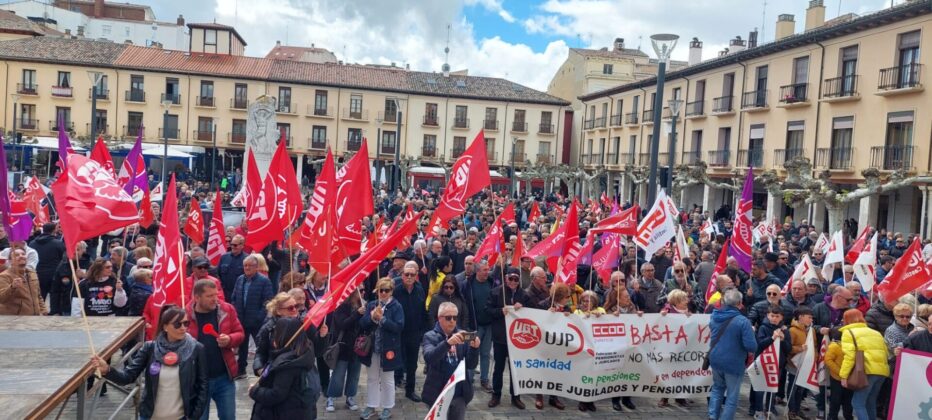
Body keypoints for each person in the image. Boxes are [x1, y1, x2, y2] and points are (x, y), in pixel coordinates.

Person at [92, 304, 209, 420]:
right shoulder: (150, 348)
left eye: (186, 323)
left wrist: (194, 416)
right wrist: (107, 369)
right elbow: (127, 377)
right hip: (150, 416)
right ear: (165, 327)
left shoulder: (196, 348)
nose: (183, 328)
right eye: (177, 324)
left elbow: (203, 386)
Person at [186, 279, 245, 420]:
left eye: (216, 294)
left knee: (229, 417)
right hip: (198, 380)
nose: (215, 299)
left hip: (224, 377)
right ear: (197, 297)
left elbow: (240, 333)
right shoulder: (185, 315)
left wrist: (230, 339)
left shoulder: (227, 309)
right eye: (210, 296)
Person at [248, 317, 317, 419]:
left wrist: (254, 391)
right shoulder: (303, 352)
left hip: (282, 413)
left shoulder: (286, 364)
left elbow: (276, 394)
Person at [420, 301, 480, 420]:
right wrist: (447, 343)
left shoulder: (462, 334)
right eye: (448, 318)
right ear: (439, 318)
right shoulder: (430, 336)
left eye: (454, 317)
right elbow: (429, 358)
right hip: (437, 392)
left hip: (458, 393)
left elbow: (471, 365)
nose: (452, 321)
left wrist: (474, 348)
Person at [708, 288, 757, 420]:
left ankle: (713, 416)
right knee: (732, 395)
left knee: (717, 388)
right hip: (734, 362)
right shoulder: (743, 321)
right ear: (739, 303)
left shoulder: (714, 315)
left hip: (716, 358)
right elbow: (751, 346)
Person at [359, 278, 405, 420]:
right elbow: (362, 324)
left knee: (388, 379)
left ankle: (387, 407)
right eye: (380, 290)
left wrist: (383, 320)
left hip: (389, 348)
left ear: (391, 291)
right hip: (373, 347)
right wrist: (372, 318)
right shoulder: (372, 304)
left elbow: (399, 327)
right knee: (372, 378)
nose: (383, 293)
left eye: (386, 290)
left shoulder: (396, 306)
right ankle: (371, 405)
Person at [486, 268, 529, 410]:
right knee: (498, 368)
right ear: (506, 278)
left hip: (517, 339)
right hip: (500, 337)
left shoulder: (524, 294)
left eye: (516, 279)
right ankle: (496, 395)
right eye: (511, 278)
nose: (513, 282)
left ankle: (516, 396)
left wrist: (523, 308)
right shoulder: (496, 292)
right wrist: (499, 311)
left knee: (515, 369)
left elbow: (533, 311)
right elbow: (487, 310)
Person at [839, 309, 889, 420]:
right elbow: (886, 352)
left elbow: (850, 356)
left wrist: (843, 375)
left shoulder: (848, 332)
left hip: (866, 370)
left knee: (857, 403)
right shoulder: (876, 333)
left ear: (846, 320)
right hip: (882, 371)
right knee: (870, 402)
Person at [233, 254, 275, 378]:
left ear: (256, 267)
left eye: (250, 266)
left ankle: (265, 369)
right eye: (245, 265)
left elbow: (268, 301)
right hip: (241, 319)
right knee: (242, 346)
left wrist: (259, 316)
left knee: (261, 346)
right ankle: (241, 370)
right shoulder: (240, 279)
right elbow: (234, 297)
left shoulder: (264, 281)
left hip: (257, 321)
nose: (247, 268)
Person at [391, 262, 427, 403]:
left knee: (412, 364)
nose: (409, 277)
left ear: (416, 275)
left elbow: (423, 310)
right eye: (407, 274)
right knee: (395, 362)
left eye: (412, 274)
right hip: (398, 332)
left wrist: (423, 330)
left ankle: (410, 391)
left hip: (414, 332)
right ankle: (391, 390)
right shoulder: (396, 290)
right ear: (402, 275)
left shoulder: (419, 289)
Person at [326, 286, 365, 413]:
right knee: (338, 374)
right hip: (344, 345)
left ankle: (350, 397)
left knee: (354, 374)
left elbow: (365, 325)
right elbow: (343, 324)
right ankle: (331, 397)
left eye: (363, 290)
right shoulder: (342, 306)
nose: (363, 292)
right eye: (361, 290)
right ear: (353, 292)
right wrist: (357, 314)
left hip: (358, 346)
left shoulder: (363, 305)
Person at [459, 260, 494, 390]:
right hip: (472, 326)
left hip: (488, 325)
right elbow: (462, 305)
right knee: (471, 353)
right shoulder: (467, 284)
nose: (487, 272)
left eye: (488, 269)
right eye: (485, 270)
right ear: (477, 271)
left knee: (485, 353)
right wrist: (465, 325)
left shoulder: (492, 283)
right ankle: (469, 379)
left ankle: (484, 379)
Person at [751, 304, 790, 420]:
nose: (774, 318)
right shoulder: (763, 328)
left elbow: (788, 349)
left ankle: (769, 408)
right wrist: (772, 338)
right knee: (760, 388)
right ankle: (758, 410)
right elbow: (760, 345)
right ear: (768, 315)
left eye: (777, 316)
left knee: (772, 388)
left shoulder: (785, 330)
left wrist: (783, 340)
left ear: (781, 317)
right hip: (763, 363)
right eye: (772, 316)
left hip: (777, 364)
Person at [786, 306, 814, 420]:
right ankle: (791, 410)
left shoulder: (809, 330)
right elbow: (788, 348)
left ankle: (797, 410)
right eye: (809, 317)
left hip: (805, 364)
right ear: (801, 317)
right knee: (793, 388)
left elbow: (814, 346)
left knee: (801, 389)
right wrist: (799, 349)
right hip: (794, 364)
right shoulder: (792, 330)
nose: (811, 320)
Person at [0, 248, 45, 315]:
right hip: (16, 320)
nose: (21, 256)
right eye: (16, 255)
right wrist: (12, 287)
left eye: (23, 254)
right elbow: (1, 298)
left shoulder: (32, 273)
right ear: (10, 261)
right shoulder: (4, 276)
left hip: (35, 318)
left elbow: (38, 295)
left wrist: (43, 310)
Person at [29, 222, 65, 302]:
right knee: (54, 296)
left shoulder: (32, 243)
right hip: (53, 274)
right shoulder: (58, 243)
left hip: (37, 273)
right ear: (54, 230)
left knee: (39, 297)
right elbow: (62, 257)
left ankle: (39, 312)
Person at [824, 328, 854, 420]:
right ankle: (833, 416)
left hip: (845, 377)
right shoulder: (835, 346)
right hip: (838, 378)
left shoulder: (847, 346)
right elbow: (828, 360)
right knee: (836, 399)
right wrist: (841, 372)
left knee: (847, 400)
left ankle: (847, 416)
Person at [218, 235, 247, 300]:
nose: (232, 247)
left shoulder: (247, 259)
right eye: (231, 245)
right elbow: (218, 274)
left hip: (240, 295)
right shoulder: (224, 257)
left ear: (242, 246)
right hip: (224, 294)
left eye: (235, 245)